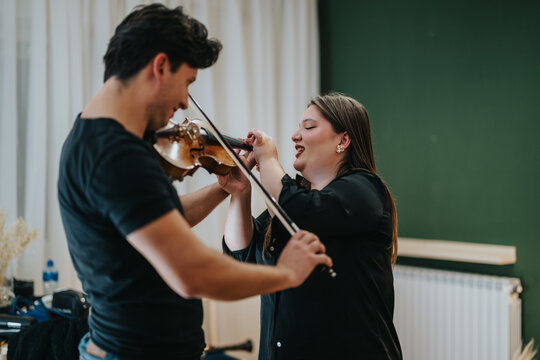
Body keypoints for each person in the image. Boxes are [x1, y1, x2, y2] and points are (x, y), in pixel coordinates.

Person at [57, 4, 332, 360]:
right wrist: (285, 275)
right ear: (159, 66)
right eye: (187, 82)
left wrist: (222, 189)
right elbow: (191, 272)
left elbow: (159, 220)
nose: (185, 102)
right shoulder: (114, 153)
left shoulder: (99, 137)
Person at [222, 93, 402, 359]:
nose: (295, 136)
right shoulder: (295, 201)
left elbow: (301, 210)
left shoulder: (364, 189)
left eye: (308, 127)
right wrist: (239, 192)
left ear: (343, 140)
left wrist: (269, 160)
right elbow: (241, 256)